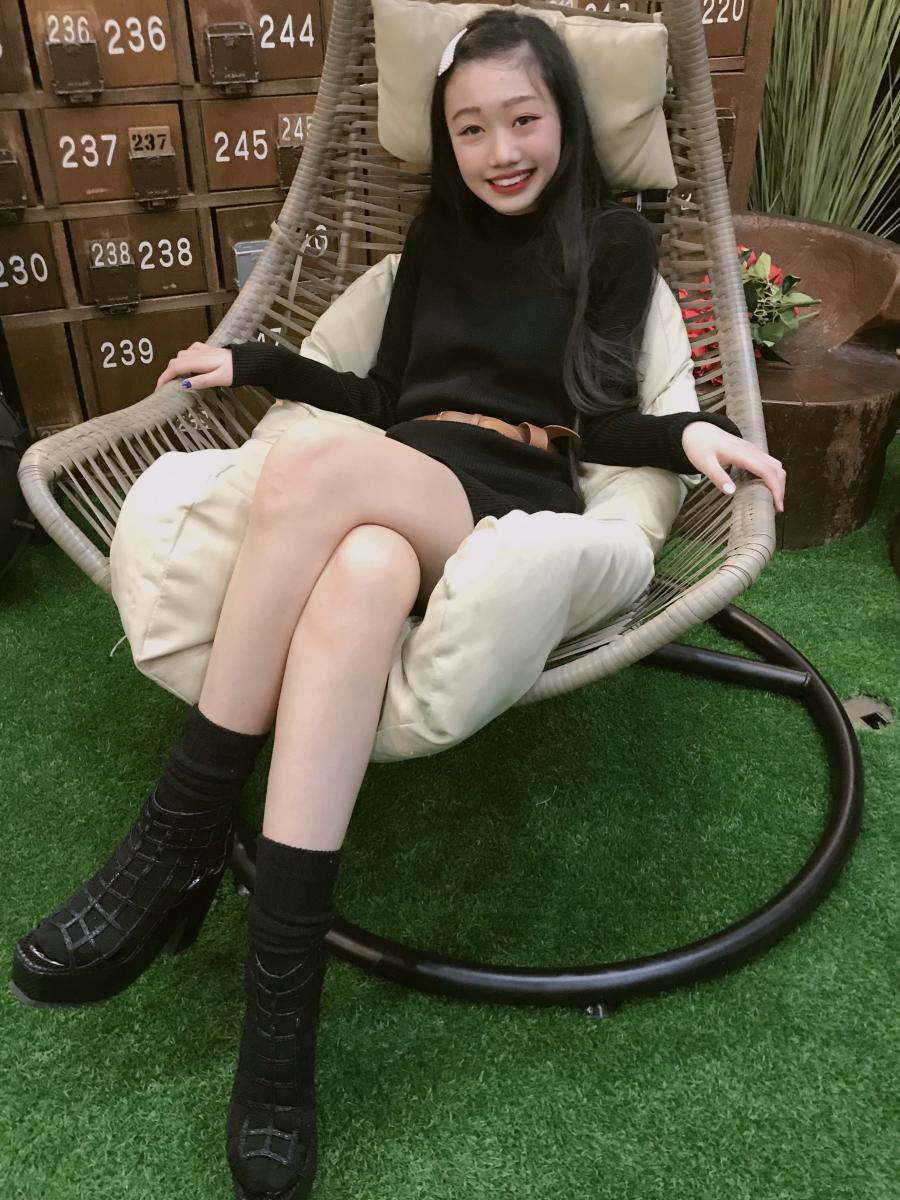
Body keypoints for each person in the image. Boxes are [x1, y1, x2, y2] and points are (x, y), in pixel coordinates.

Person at [10, 9, 786, 1200]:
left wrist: (693, 434)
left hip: (503, 495)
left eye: (523, 119)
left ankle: (176, 837)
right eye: (471, 128)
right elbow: (380, 395)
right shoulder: (431, 239)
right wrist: (257, 363)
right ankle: (280, 1035)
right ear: (446, 137)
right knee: (364, 564)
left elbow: (604, 418)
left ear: (566, 119)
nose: (500, 149)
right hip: (397, 478)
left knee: (317, 471)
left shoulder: (614, 243)